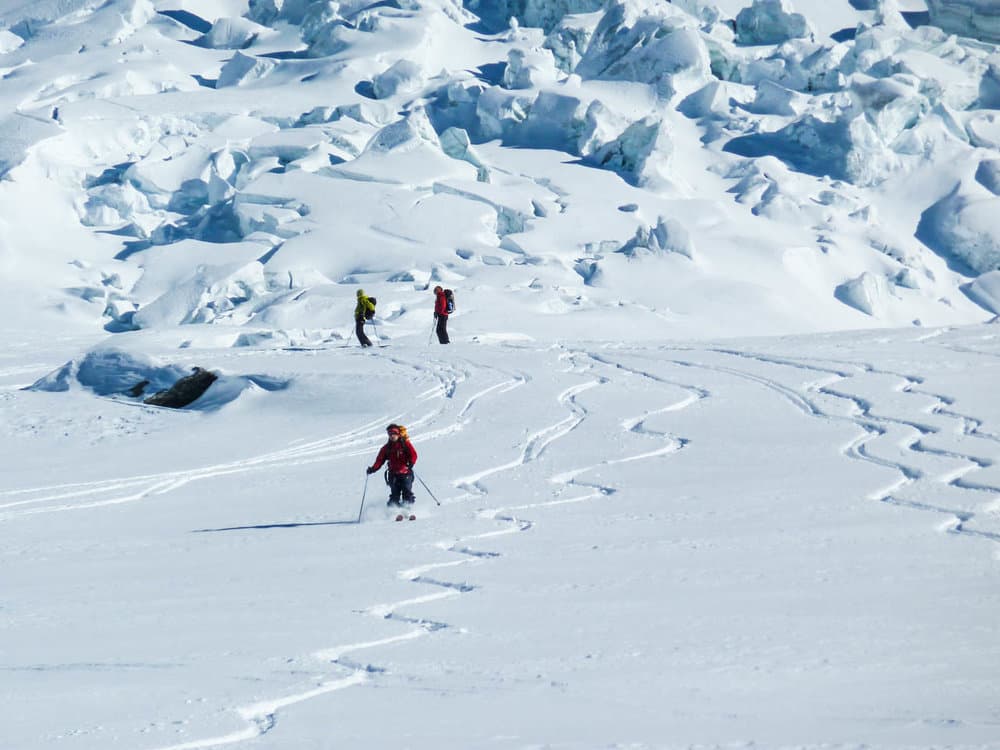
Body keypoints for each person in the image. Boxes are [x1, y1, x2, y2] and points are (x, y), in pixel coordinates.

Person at [366, 424, 418, 506]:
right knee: (395, 493)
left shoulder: (405, 444)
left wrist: (411, 462)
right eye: (390, 434)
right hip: (393, 475)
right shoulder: (386, 448)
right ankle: (393, 511)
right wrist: (373, 469)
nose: (392, 436)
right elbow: (379, 460)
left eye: (394, 433)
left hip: (406, 473)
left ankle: (407, 509)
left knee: (407, 491)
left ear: (398, 434)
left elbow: (413, 454)